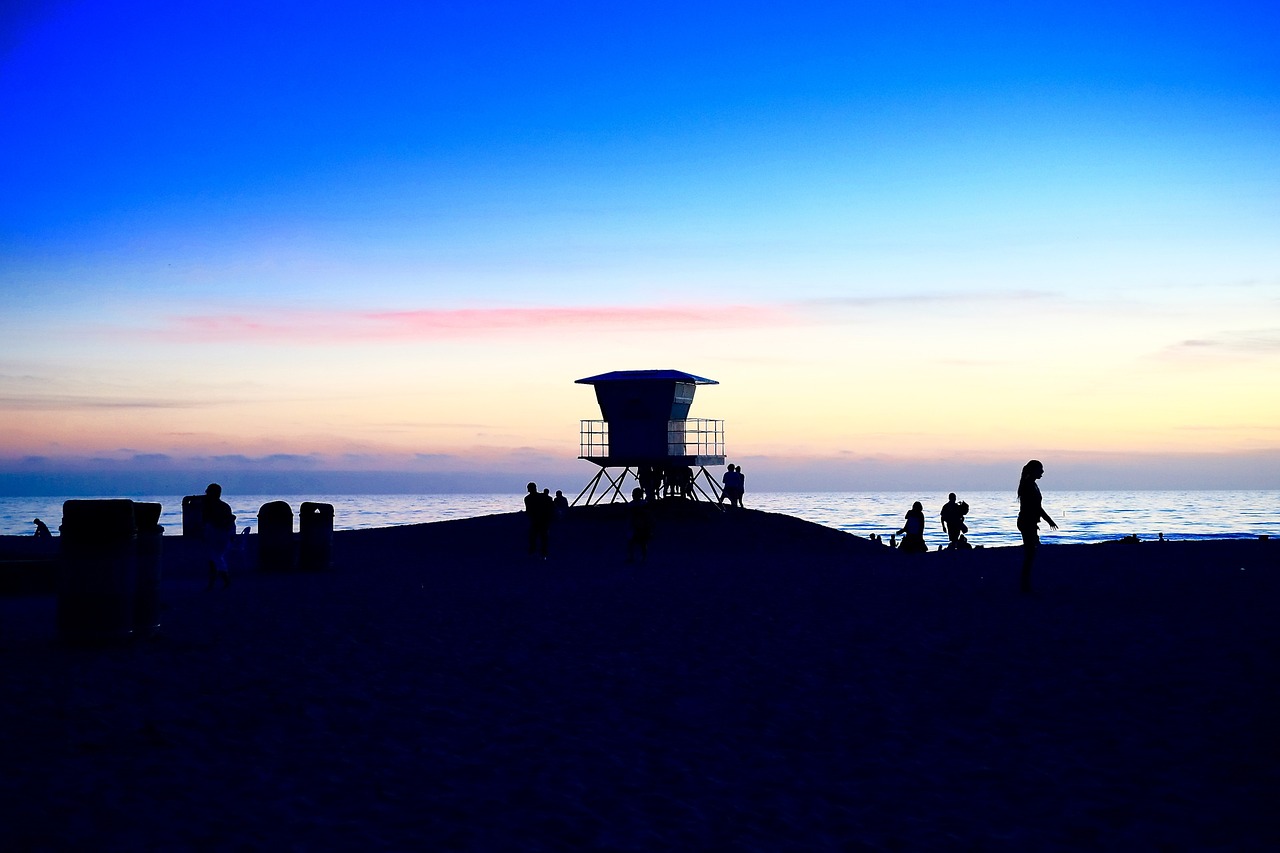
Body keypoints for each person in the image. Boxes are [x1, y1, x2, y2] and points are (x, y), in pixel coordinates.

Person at [1017, 459, 1058, 593]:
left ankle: (1026, 583)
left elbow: (1035, 508)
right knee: (1030, 554)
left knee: (1031, 553)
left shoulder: (1032, 485)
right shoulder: (1028, 485)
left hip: (1029, 522)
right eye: (1040, 469)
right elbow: (1036, 507)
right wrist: (1049, 520)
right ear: (1033, 470)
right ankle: (1025, 585)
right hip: (1026, 522)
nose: (1042, 472)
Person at [202, 483, 236, 589]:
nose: (206, 493)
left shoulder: (212, 507)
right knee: (216, 559)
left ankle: (220, 582)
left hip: (218, 536)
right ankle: (220, 582)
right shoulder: (223, 506)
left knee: (215, 559)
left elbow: (214, 522)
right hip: (220, 536)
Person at [524, 482, 553, 558]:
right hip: (541, 520)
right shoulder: (541, 497)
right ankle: (541, 552)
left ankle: (536, 551)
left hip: (537, 520)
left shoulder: (528, 498)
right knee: (541, 537)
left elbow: (528, 510)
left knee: (536, 536)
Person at [626, 487, 652, 563]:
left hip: (640, 526)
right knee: (638, 543)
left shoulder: (636, 504)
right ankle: (638, 557)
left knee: (640, 543)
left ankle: (637, 557)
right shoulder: (642, 504)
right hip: (637, 526)